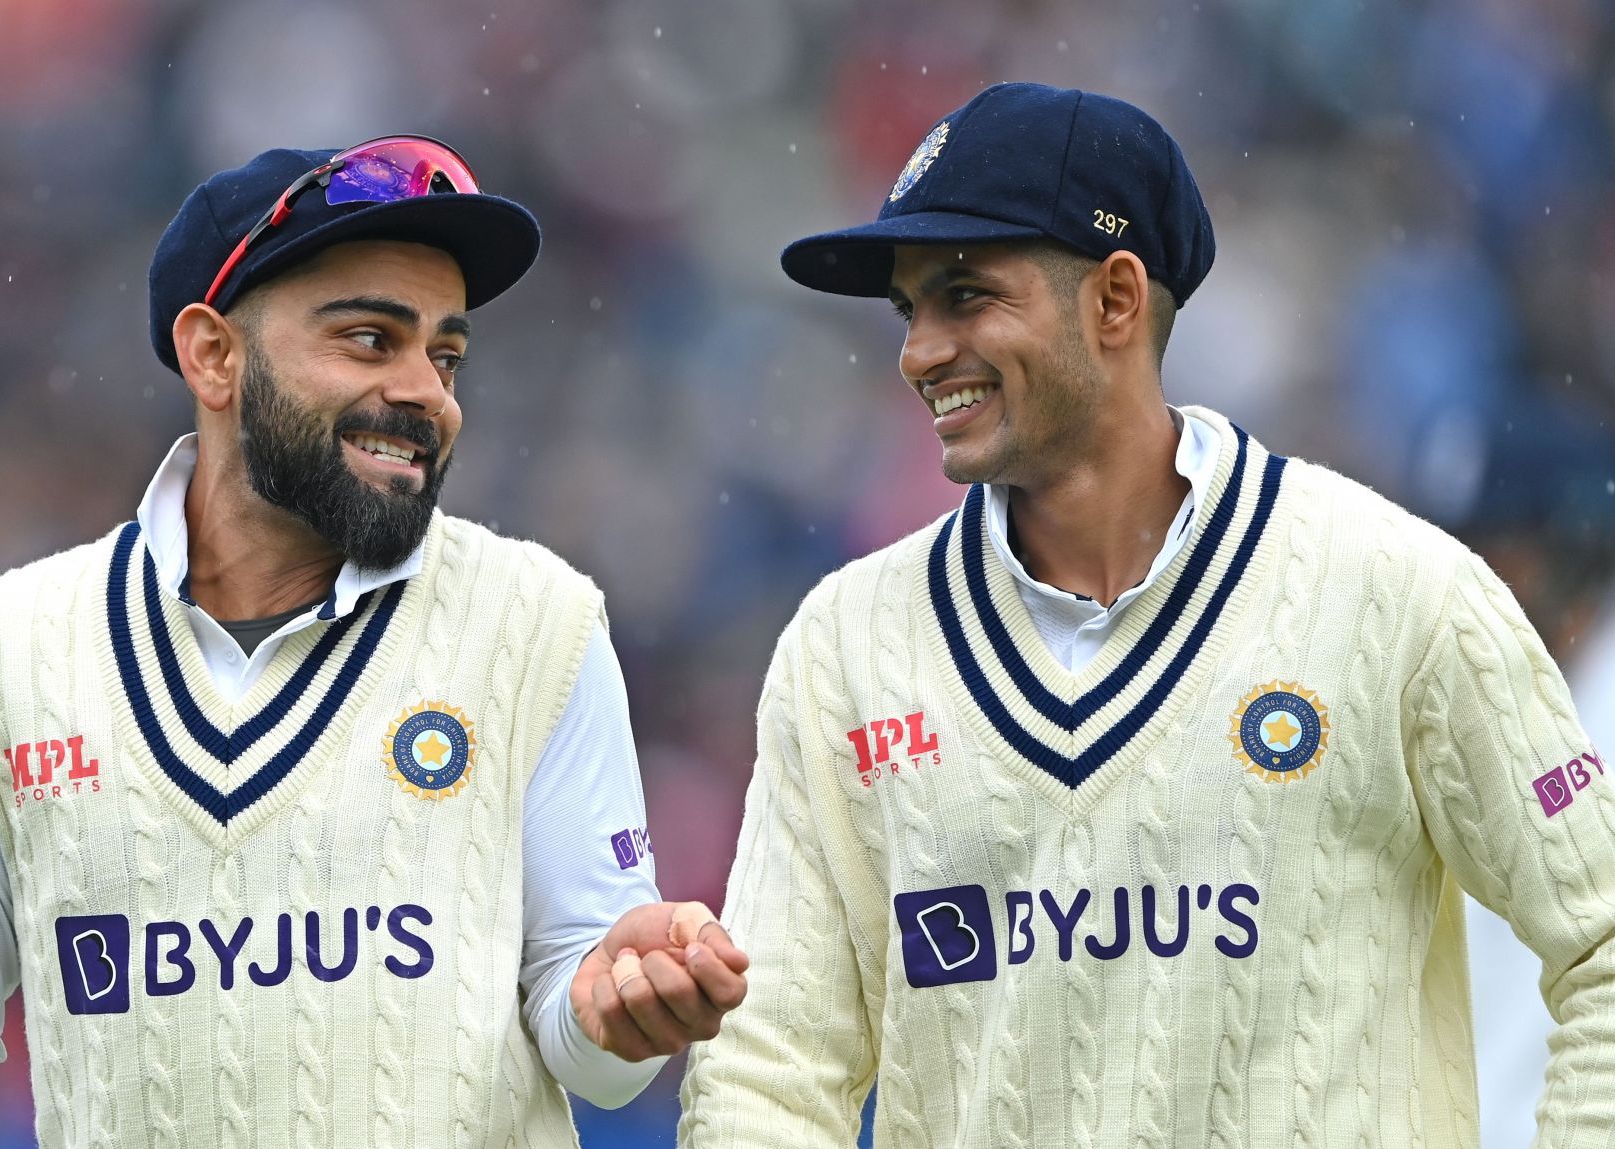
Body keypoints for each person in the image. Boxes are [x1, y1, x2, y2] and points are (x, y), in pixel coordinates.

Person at [679, 82, 1615, 1148]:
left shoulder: (1397, 593)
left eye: (964, 295)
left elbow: (1602, 945)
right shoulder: (846, 647)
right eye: (910, 310)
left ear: (1116, 300)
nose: (919, 350)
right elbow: (770, 1067)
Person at [0, 136, 747, 1149]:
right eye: (370, 340)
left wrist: (613, 1014)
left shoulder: (539, 622)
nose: (426, 392)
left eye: (445, 354)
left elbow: (592, 1046)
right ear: (213, 355)